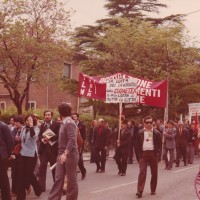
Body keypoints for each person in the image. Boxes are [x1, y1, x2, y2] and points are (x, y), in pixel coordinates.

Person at [48, 103, 79, 200]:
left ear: (60, 112)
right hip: (61, 154)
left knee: (71, 180)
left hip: (70, 154)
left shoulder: (69, 122)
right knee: (58, 178)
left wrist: (65, 153)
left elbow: (72, 140)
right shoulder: (64, 122)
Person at [136, 115, 162, 198]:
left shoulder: (157, 133)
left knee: (154, 173)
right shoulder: (139, 132)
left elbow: (159, 145)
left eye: (151, 122)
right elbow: (136, 145)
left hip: (153, 154)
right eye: (147, 122)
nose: (149, 124)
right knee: (142, 172)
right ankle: (139, 191)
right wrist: (138, 156)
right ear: (144, 123)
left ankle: (153, 189)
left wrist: (158, 155)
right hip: (143, 154)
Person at [16, 114, 42, 200]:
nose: (27, 121)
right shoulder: (23, 128)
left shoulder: (36, 128)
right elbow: (22, 138)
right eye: (27, 120)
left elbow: (32, 135)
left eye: (29, 120)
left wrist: (31, 124)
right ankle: (21, 196)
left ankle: (37, 188)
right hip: (22, 153)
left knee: (29, 174)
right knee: (20, 175)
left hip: (31, 154)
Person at [38, 110, 60, 192]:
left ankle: (56, 186)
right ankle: (41, 187)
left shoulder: (56, 124)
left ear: (51, 116)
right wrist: (42, 139)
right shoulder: (42, 125)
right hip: (44, 149)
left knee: (54, 168)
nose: (47, 116)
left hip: (53, 150)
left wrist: (50, 138)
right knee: (42, 168)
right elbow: (40, 135)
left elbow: (59, 135)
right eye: (46, 115)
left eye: (49, 115)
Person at [0, 110, 14, 200]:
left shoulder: (3, 126)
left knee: (3, 177)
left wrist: (9, 154)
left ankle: (6, 197)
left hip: (2, 156)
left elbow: (10, 141)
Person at [10, 115, 25, 196]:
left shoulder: (24, 129)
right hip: (15, 153)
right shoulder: (14, 130)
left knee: (21, 173)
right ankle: (14, 190)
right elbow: (11, 140)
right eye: (15, 122)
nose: (16, 123)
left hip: (22, 154)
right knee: (14, 172)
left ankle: (25, 187)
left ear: (21, 122)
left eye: (17, 122)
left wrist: (20, 140)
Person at [71, 113, 86, 180]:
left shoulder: (81, 125)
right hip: (73, 144)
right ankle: (74, 174)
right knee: (73, 160)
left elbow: (84, 135)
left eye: (75, 117)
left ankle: (83, 171)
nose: (74, 118)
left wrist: (81, 144)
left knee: (79, 160)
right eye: (73, 117)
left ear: (77, 117)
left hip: (80, 144)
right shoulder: (70, 125)